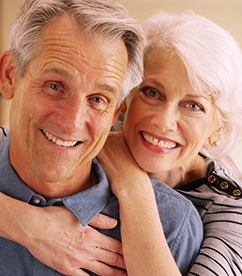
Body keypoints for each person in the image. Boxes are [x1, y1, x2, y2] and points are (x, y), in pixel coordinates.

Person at [0, 1, 203, 275]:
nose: (72, 122)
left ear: (116, 112)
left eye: (98, 99)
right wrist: (29, 225)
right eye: (54, 86)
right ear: (10, 76)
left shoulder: (172, 227)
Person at [98, 11, 242, 275]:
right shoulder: (88, 135)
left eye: (193, 105)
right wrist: (33, 227)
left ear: (217, 128)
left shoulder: (232, 211)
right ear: (129, 93)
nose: (163, 122)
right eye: (152, 93)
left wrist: (133, 186)